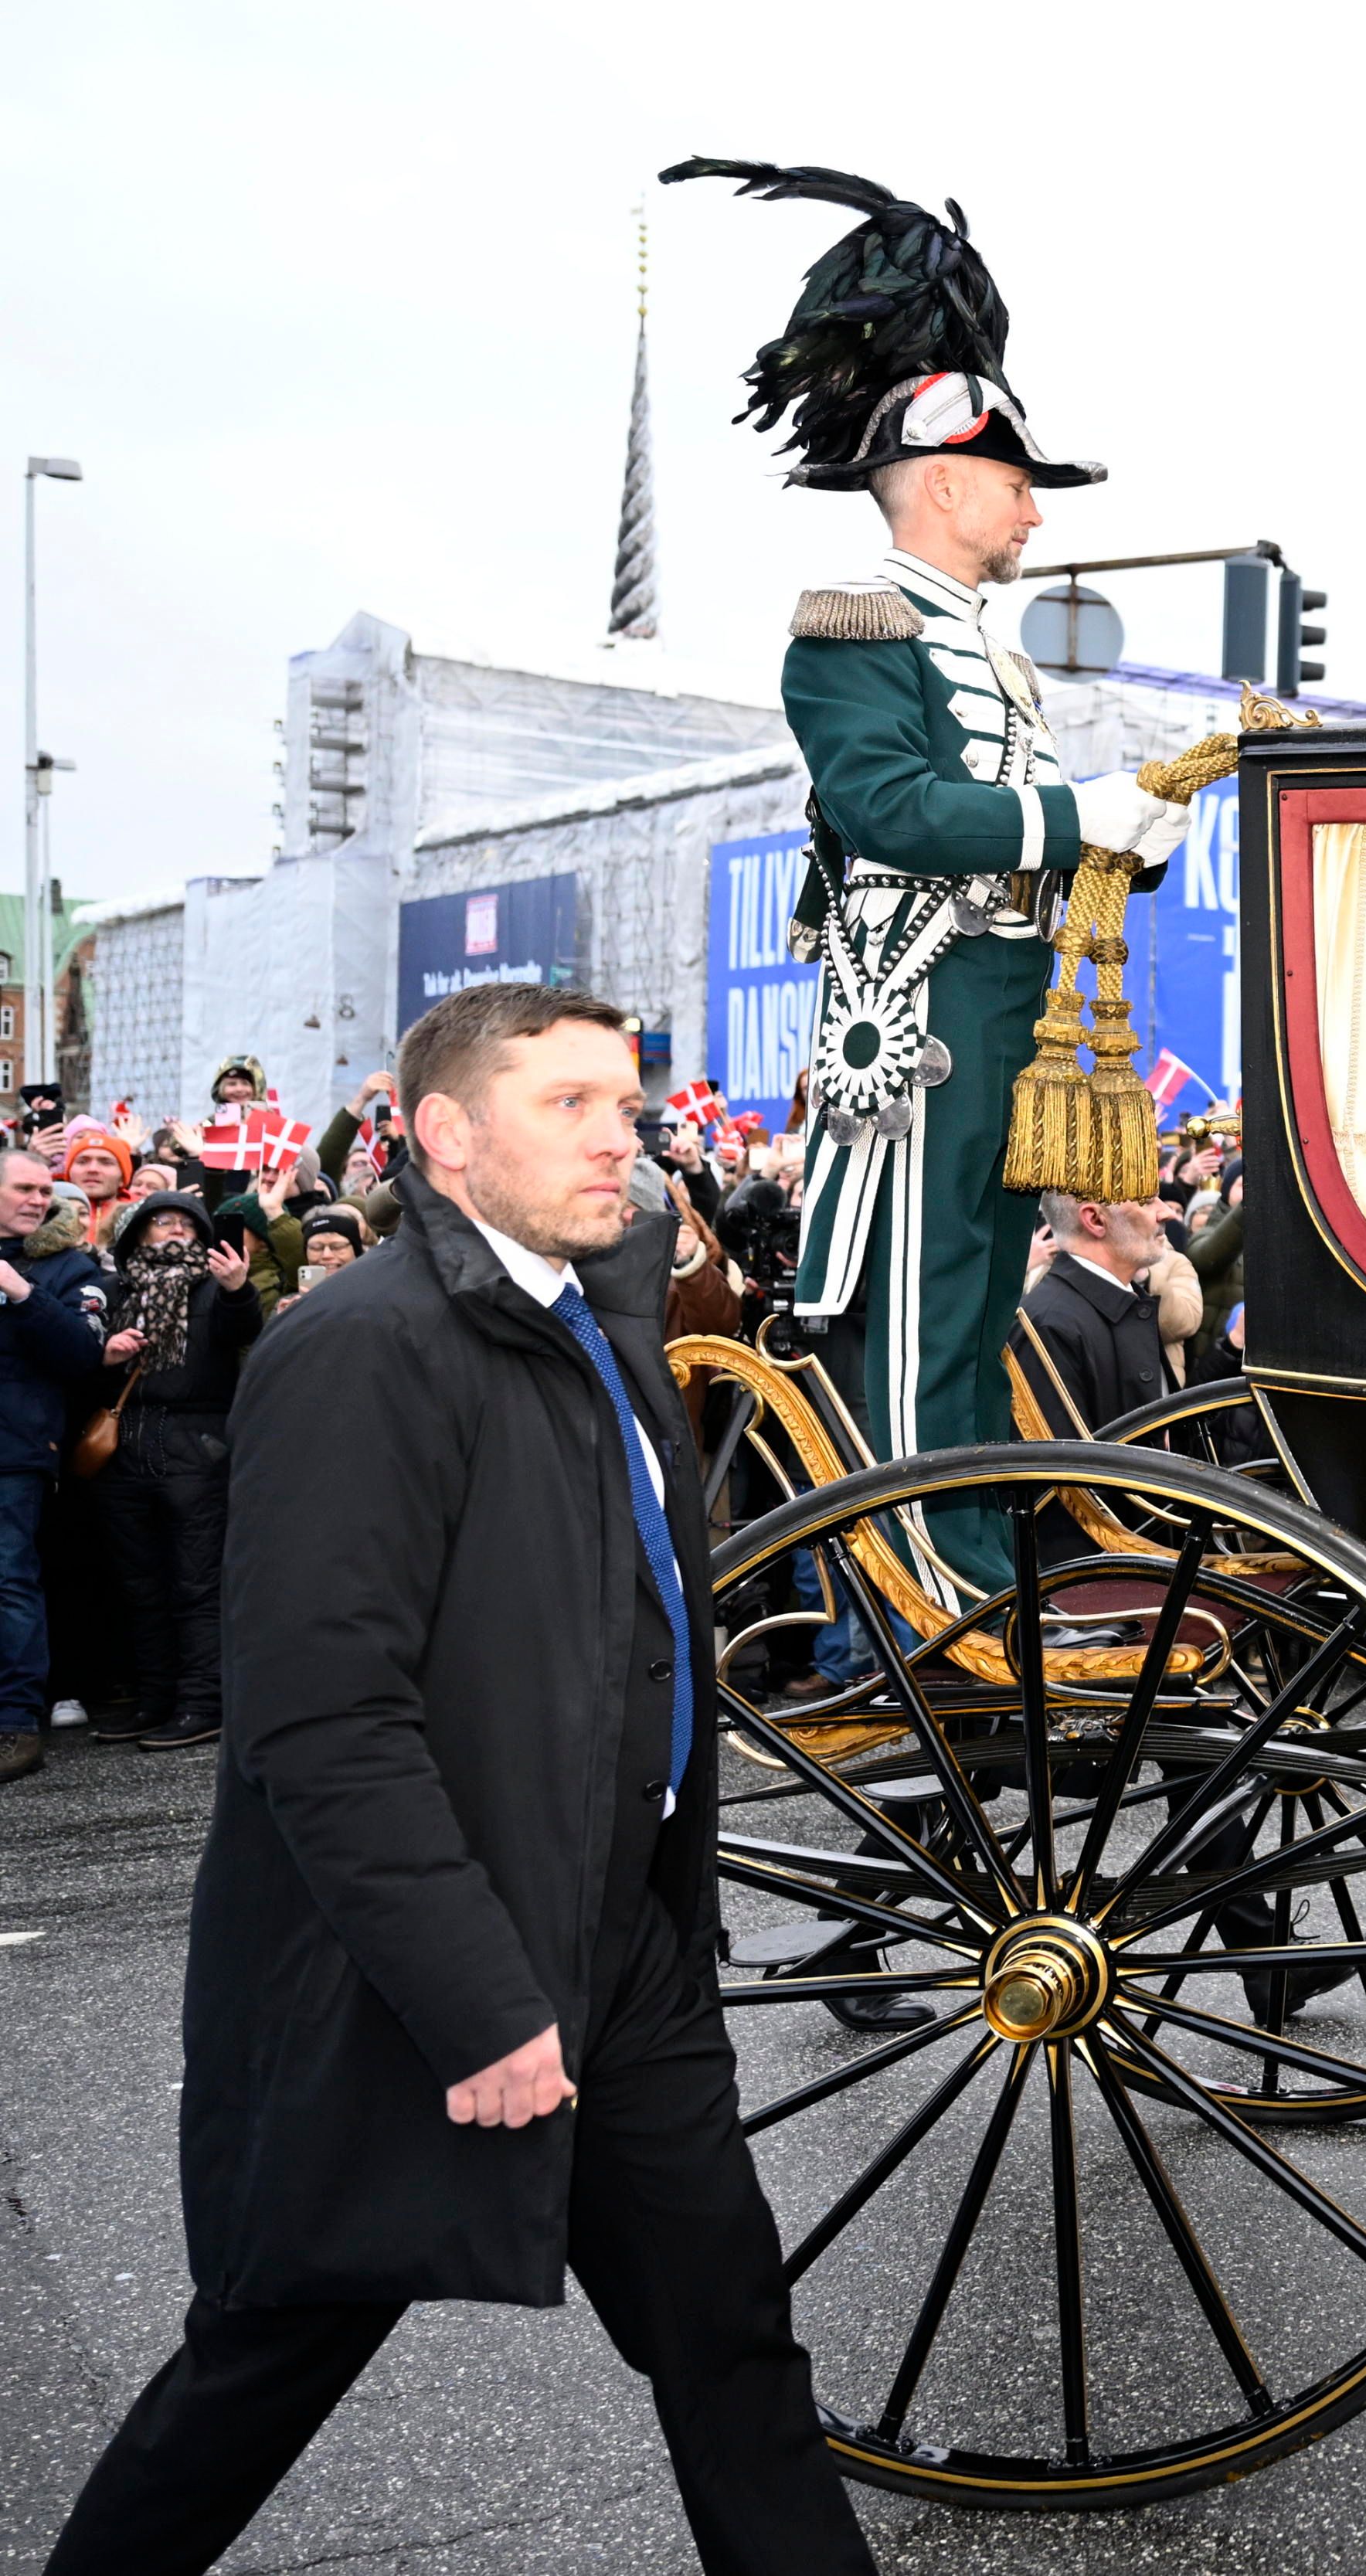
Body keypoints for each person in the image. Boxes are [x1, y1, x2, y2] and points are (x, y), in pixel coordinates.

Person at [46, 982, 875, 2576]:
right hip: (424, 1963)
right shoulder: (360, 1348)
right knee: (270, 2357)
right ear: (442, 1133)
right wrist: (484, 1997)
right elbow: (326, 1720)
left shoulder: (595, 1313)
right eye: (566, 1103)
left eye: (622, 1105)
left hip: (619, 1940)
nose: (616, 1136)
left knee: (733, 2350)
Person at [666, 158, 1188, 1583]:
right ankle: (926, 1572)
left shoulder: (980, 638)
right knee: (920, 1293)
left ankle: (974, 1548)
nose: (1035, 515)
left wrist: (1122, 834)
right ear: (948, 478)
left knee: (972, 1294)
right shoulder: (854, 623)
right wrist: (1080, 816)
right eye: (1019, 486)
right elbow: (892, 807)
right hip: (923, 1008)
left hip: (1000, 987)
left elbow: (1009, 820)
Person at [94, 1191, 261, 1754]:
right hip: (127, 1445)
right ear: (136, 1234)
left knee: (196, 1582)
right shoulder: (117, 1291)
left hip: (197, 1445)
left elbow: (244, 1331)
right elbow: (80, 1363)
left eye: (185, 1223)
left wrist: (239, 1289)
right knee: (140, 1585)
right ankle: (154, 1699)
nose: (172, 1230)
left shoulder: (217, 1286)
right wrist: (106, 1355)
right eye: (159, 1221)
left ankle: (201, 1703)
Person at [0, 1146, 109, 1785]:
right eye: (26, 1189)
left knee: (9, 1582)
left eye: (47, 1190)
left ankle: (15, 1723)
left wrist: (19, 1292)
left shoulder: (69, 1268)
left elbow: (81, 1355)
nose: (41, 1200)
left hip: (15, 1451)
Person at [1009, 1190, 1171, 1432]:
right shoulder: (1050, 1323)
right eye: (1147, 1201)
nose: (1165, 1212)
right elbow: (1060, 1465)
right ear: (1095, 1220)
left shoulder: (1128, 1299)